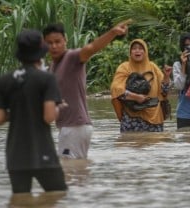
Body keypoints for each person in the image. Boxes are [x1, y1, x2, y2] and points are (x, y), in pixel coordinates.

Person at [0, 29, 67, 194]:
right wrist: (58, 107)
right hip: (43, 153)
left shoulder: (4, 80)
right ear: (41, 51)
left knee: (20, 201)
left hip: (15, 157)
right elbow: (48, 117)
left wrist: (19, 111)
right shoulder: (46, 79)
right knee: (58, 195)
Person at [42, 19, 131, 159]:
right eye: (49, 43)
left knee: (68, 171)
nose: (54, 46)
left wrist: (112, 33)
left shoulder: (71, 57)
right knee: (77, 173)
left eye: (57, 41)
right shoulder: (53, 66)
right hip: (70, 127)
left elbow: (91, 48)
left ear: (65, 40)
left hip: (75, 127)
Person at [110, 39, 171, 132]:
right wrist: (136, 97)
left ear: (145, 51)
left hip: (154, 117)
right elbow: (116, 90)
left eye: (140, 48)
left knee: (155, 144)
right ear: (130, 52)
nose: (137, 51)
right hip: (131, 117)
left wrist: (166, 77)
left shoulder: (153, 67)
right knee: (130, 144)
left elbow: (165, 92)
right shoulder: (124, 67)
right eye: (134, 48)